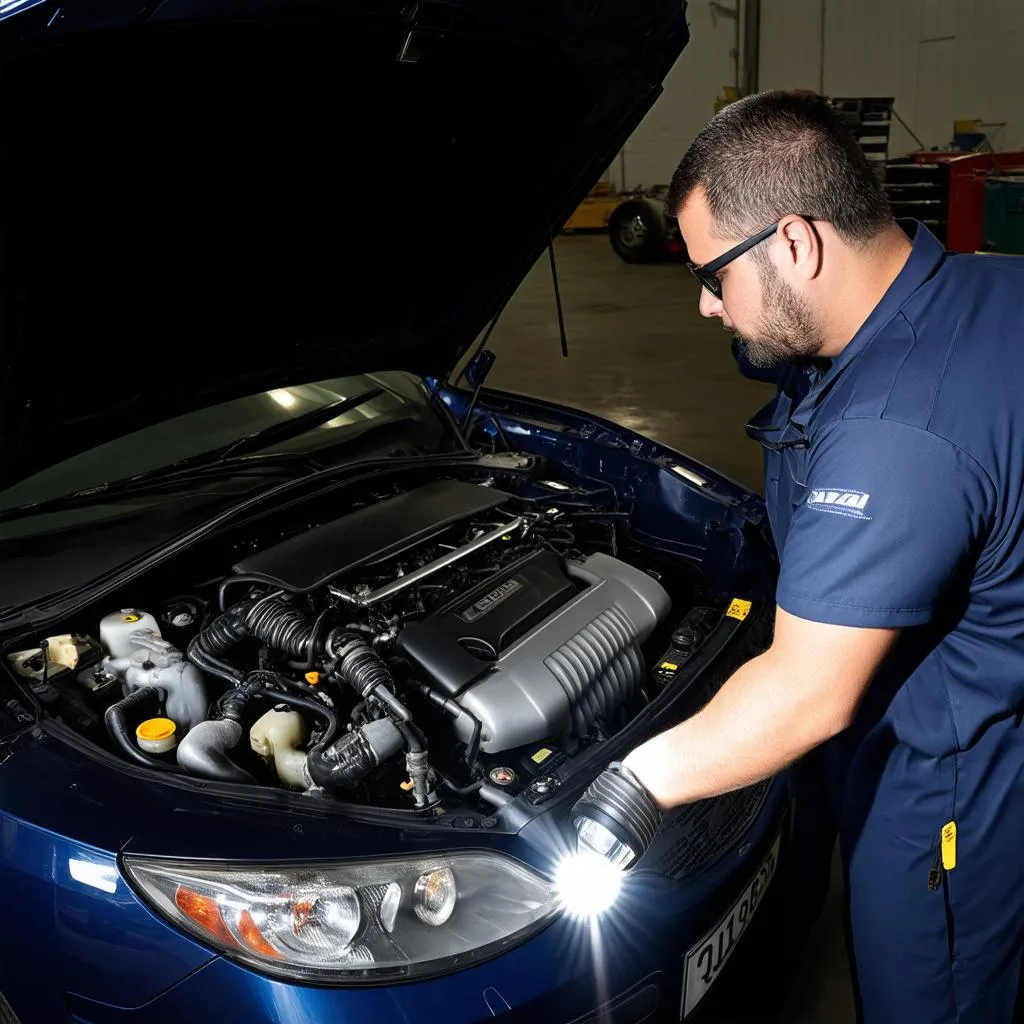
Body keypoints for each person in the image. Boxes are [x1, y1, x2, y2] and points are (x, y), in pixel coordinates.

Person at [575, 91, 1024, 1022]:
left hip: (942, 780)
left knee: (925, 993)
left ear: (795, 243)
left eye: (710, 275)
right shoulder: (984, 287)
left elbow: (808, 694)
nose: (703, 305)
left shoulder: (898, 431)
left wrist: (622, 793)